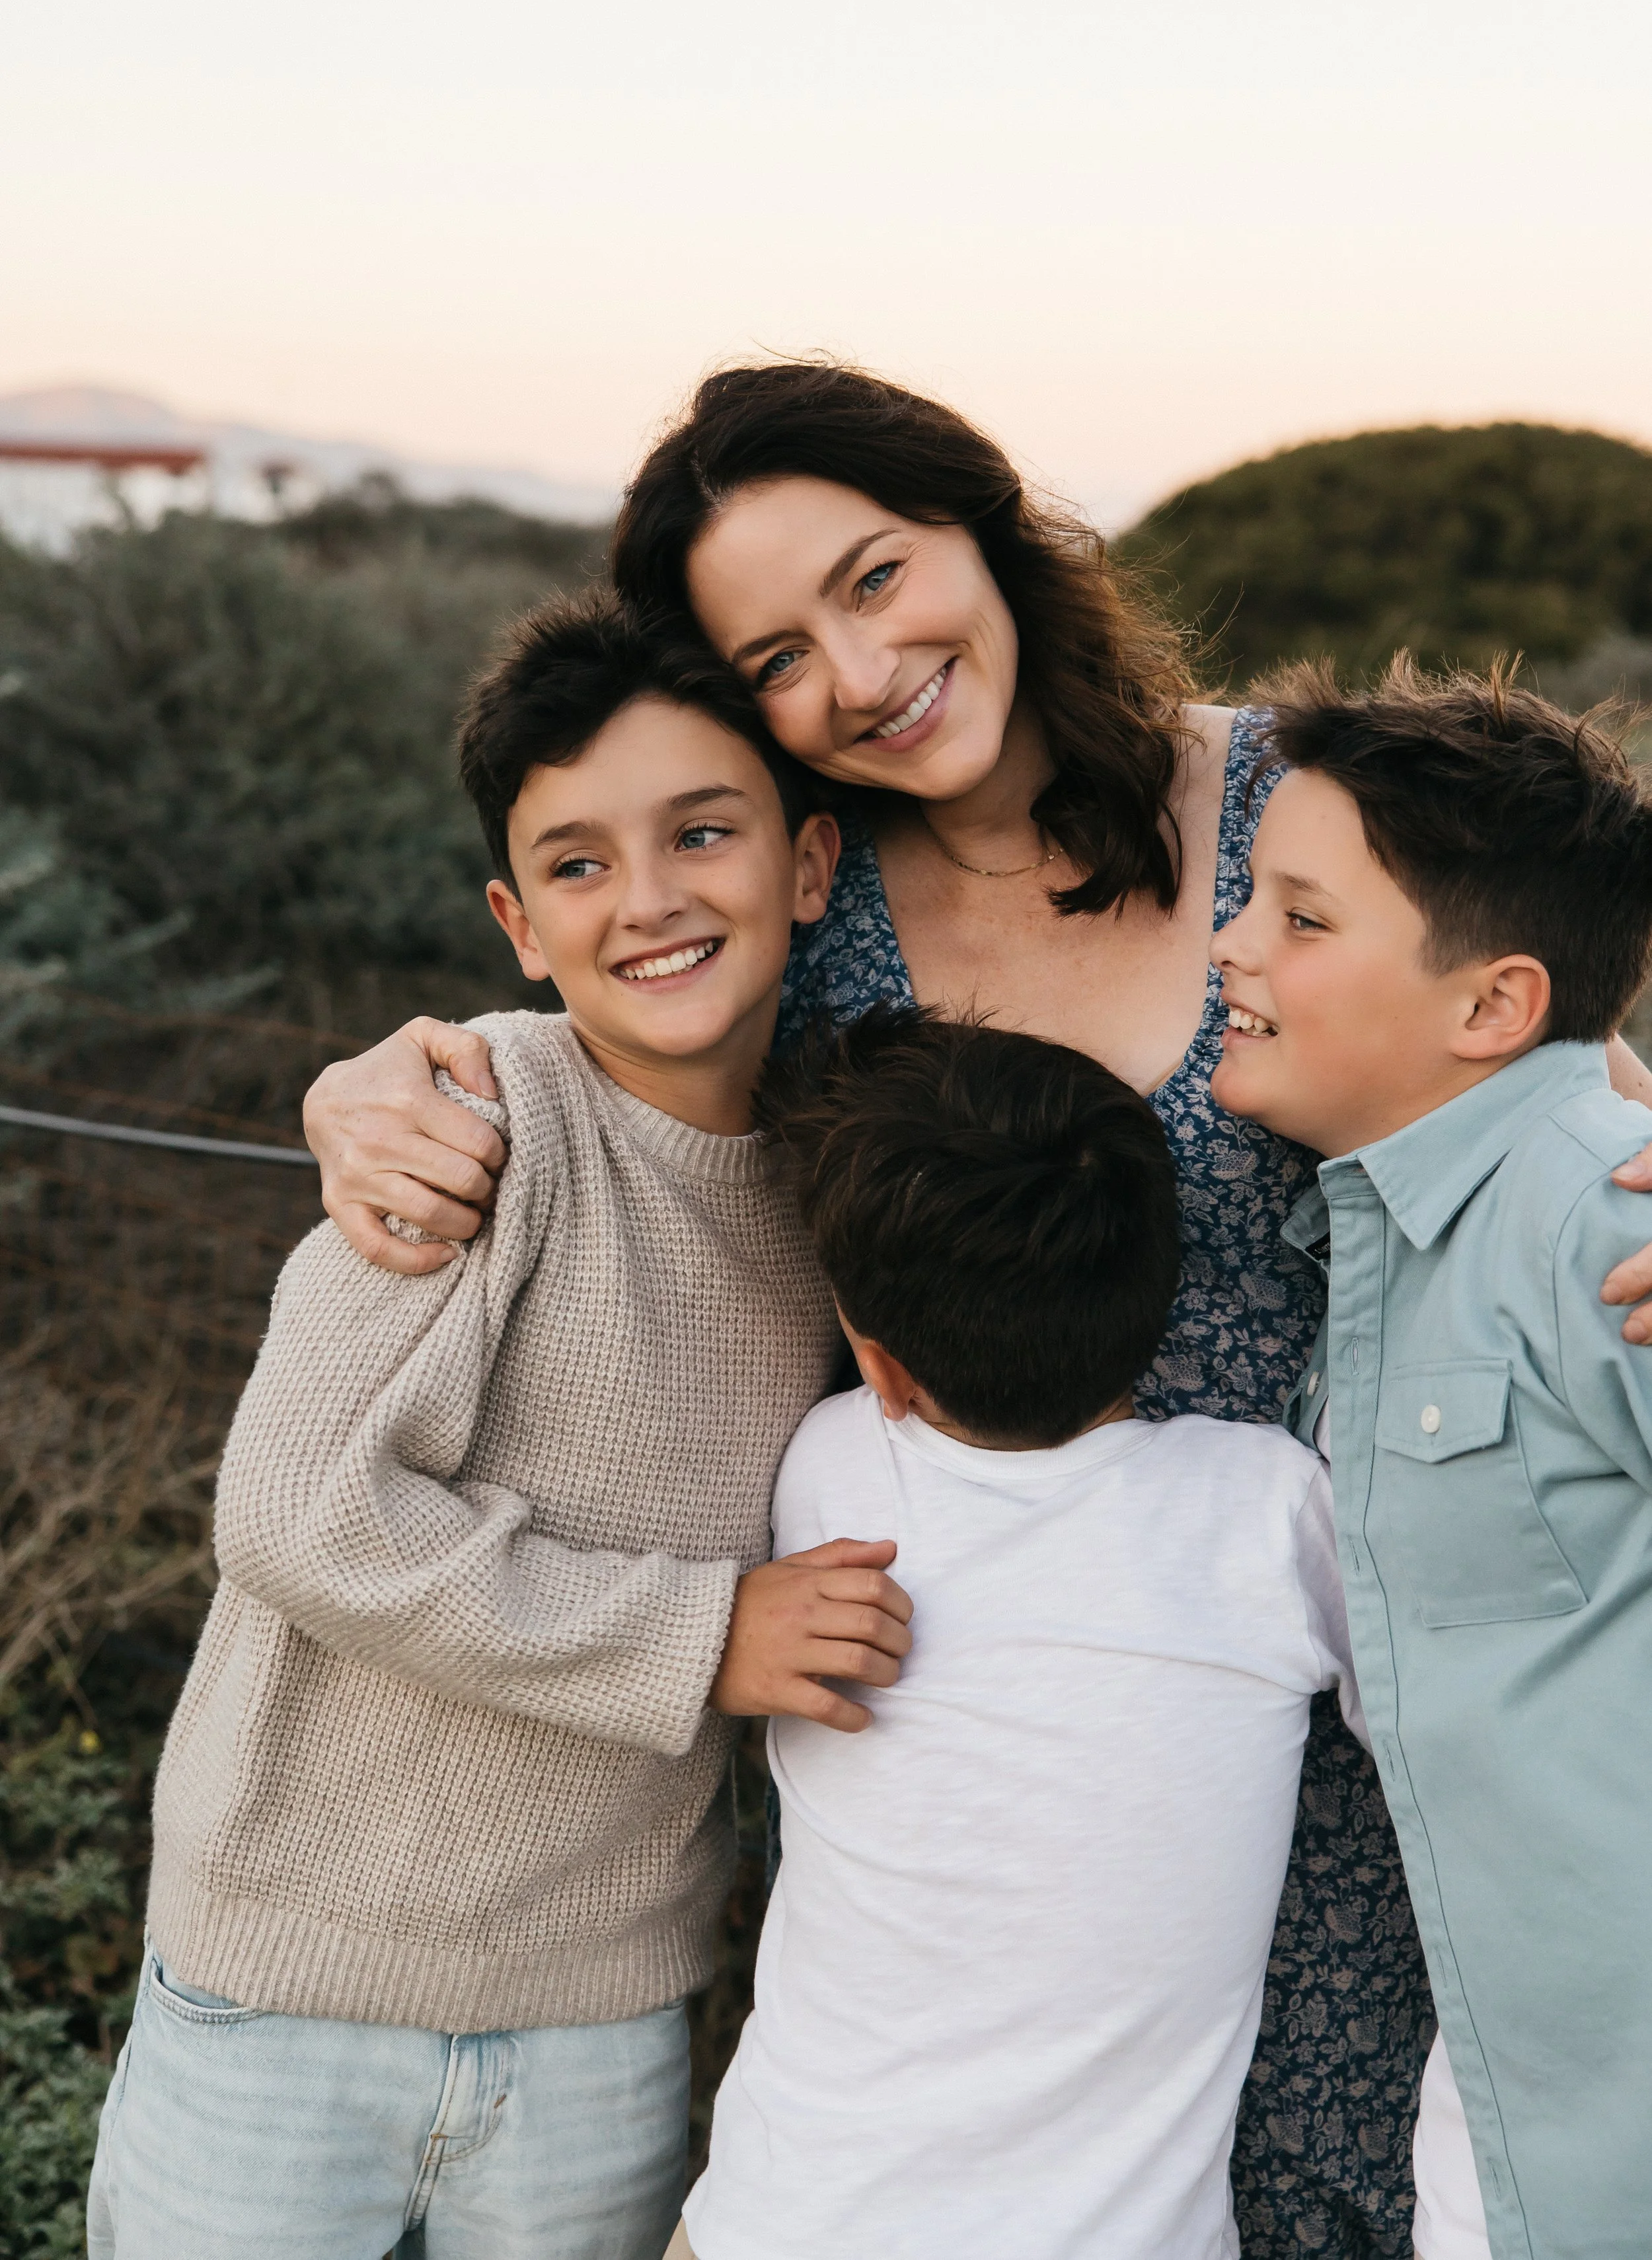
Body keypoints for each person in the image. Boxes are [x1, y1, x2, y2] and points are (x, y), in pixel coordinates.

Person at [300, 363, 1652, 2257]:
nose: (858, 673)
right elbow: (607, 1031)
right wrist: (376, 1082)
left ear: (987, 530)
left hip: (1373, 1703)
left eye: (874, 577)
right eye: (775, 657)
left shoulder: (1292, 806)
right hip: (986, 1761)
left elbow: (1543, 1061)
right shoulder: (803, 906)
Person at [87, 590, 918, 2260]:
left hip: (601, 2022)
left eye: (702, 833)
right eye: (579, 864)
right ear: (519, 924)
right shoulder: (470, 1120)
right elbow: (300, 1514)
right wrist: (702, 1635)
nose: (650, 899)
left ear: (809, 864)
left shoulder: (844, 1191)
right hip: (284, 1999)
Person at [679, 1006, 1384, 2260]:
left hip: (785, 2223)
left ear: (881, 1369)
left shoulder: (833, 1468)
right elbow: (1446, 1714)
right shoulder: (1272, 1512)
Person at [1211, 658, 1652, 2260]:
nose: (1230, 943)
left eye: (1299, 919)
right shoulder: (1383, 1229)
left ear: (1489, 1008)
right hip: (1510, 2082)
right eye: (1247, 898)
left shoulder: (1600, 1210)